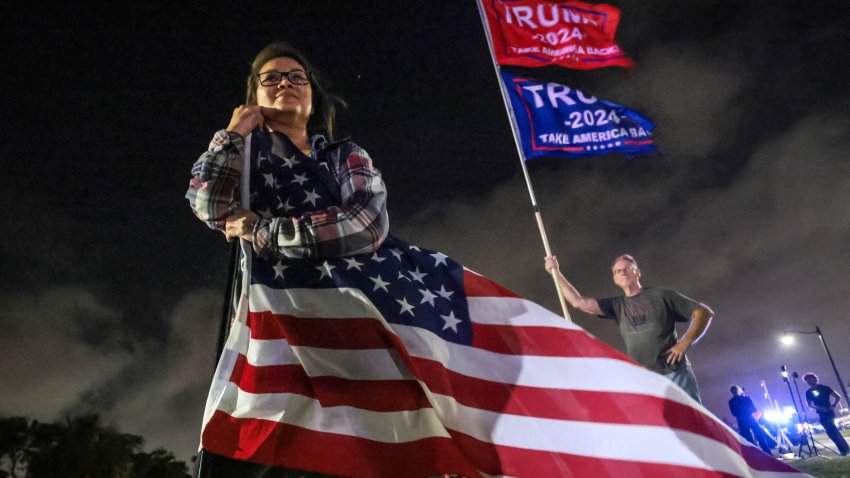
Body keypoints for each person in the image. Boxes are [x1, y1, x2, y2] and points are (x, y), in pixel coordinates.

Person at [186, 41, 388, 477]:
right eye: (271, 78)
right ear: (253, 97)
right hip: (272, 339)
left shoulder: (345, 157)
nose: (286, 83)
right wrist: (234, 132)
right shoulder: (242, 156)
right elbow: (207, 204)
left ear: (312, 95)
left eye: (297, 77)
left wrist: (264, 229)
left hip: (349, 331)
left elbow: (364, 225)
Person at [544, 254, 713, 403]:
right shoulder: (616, 305)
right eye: (618, 271)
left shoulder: (660, 295)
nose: (622, 272)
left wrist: (685, 342)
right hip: (645, 379)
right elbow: (578, 302)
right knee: (658, 430)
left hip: (675, 373)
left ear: (637, 272)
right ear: (614, 279)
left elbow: (703, 312)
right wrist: (556, 273)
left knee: (694, 425)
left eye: (627, 268)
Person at [803, 372, 850, 456]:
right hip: (821, 413)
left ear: (815, 379)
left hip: (829, 411)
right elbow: (809, 404)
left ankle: (844, 450)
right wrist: (818, 407)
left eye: (810, 379)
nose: (809, 382)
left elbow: (838, 396)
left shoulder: (825, 388)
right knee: (831, 432)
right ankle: (844, 449)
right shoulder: (808, 392)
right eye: (807, 381)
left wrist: (833, 405)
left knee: (832, 430)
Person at [728, 385, 773, 454]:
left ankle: (755, 454)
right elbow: (754, 409)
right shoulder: (746, 399)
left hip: (741, 421)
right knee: (759, 437)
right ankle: (767, 453)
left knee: (749, 439)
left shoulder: (731, 402)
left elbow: (734, 413)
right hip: (749, 418)